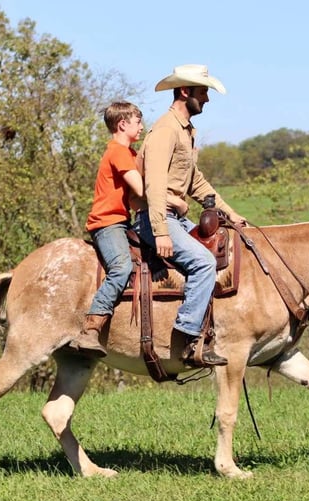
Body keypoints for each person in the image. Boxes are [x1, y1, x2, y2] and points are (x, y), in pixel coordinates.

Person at [133, 64, 246, 368]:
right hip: (156, 217)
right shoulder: (165, 130)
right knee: (203, 261)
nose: (207, 99)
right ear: (185, 92)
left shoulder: (186, 132)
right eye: (203, 92)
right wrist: (160, 232)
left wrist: (233, 217)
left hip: (174, 217)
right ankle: (188, 340)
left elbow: (196, 184)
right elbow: (154, 185)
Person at [68, 102, 145, 357]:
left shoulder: (129, 153)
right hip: (107, 223)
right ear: (122, 124)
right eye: (138, 122)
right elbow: (141, 188)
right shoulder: (118, 151)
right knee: (121, 266)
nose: (142, 127)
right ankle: (91, 329)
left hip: (122, 222)